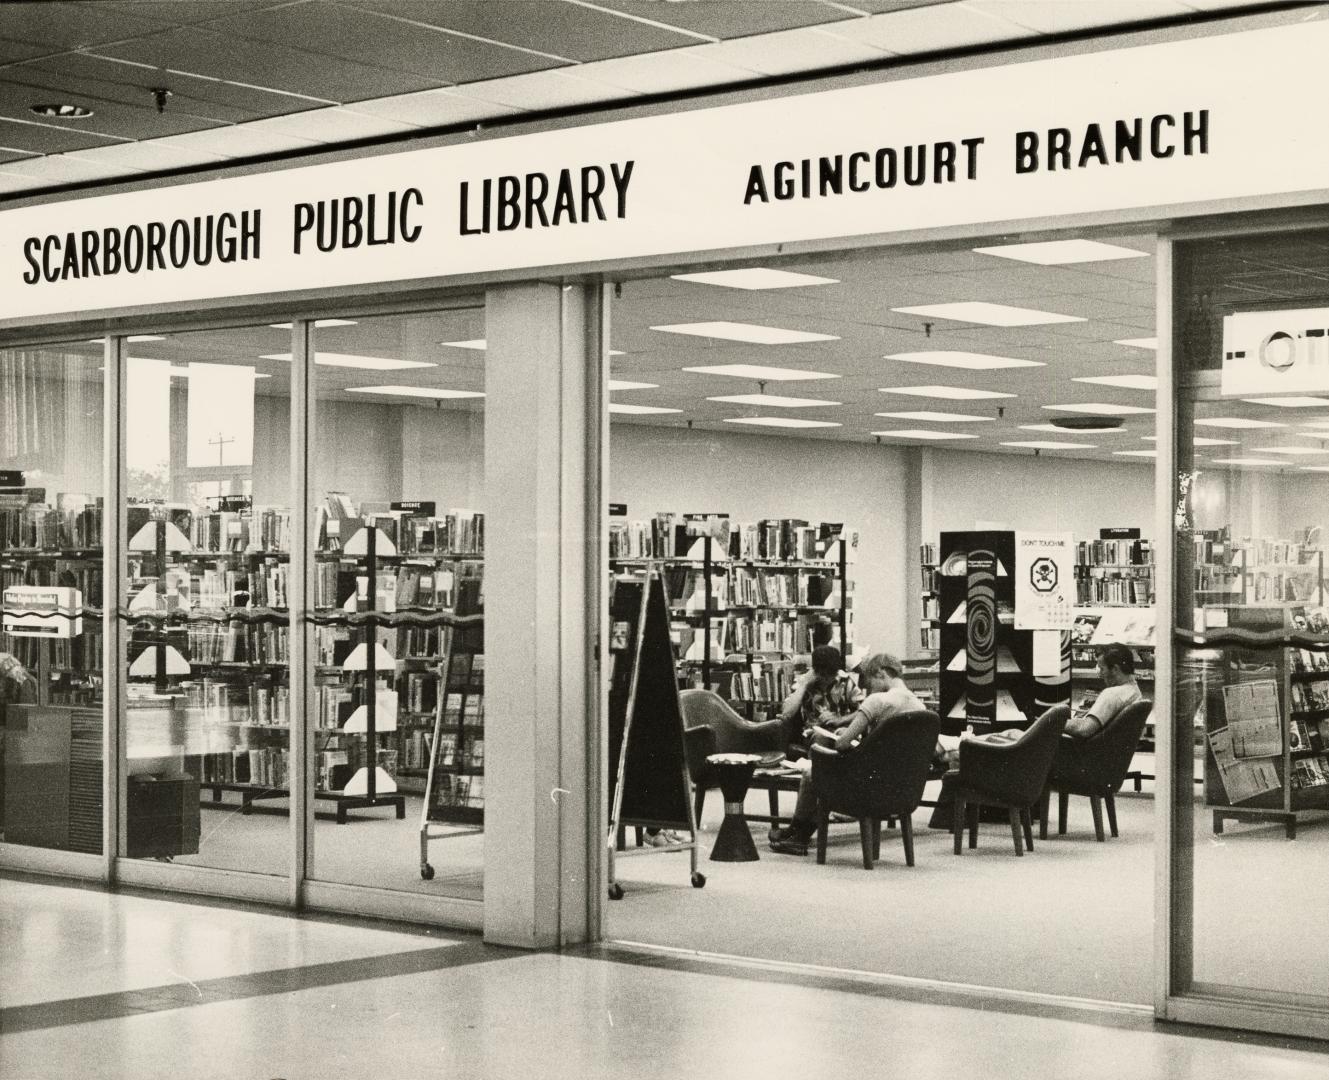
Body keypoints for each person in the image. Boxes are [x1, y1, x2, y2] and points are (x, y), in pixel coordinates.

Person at [769, 651, 924, 856]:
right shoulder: (920, 707)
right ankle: (798, 834)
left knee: (813, 772)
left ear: (881, 673)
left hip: (867, 784)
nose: (868, 687)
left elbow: (841, 744)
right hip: (901, 785)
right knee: (822, 767)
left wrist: (845, 733)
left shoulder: (878, 700)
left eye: (869, 680)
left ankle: (799, 835)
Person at [777, 643, 862, 755]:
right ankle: (817, 771)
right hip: (813, 731)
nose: (827, 678)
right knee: (820, 737)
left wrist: (841, 719)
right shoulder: (804, 681)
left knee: (846, 736)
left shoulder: (845, 682)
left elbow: (864, 711)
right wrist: (804, 684)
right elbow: (786, 713)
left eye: (831, 674)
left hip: (840, 729)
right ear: (815, 671)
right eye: (823, 674)